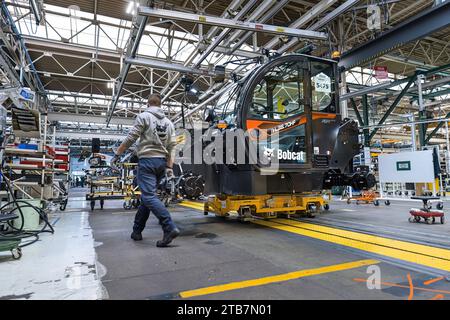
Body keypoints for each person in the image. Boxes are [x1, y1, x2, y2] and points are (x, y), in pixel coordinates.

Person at [111, 94, 179, 247]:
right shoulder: (169, 123)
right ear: (160, 105)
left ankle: (169, 227)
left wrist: (117, 154)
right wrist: (169, 166)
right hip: (161, 162)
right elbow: (172, 146)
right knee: (146, 199)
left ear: (147, 104)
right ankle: (137, 231)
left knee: (148, 197)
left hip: (147, 161)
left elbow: (131, 137)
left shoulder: (144, 116)